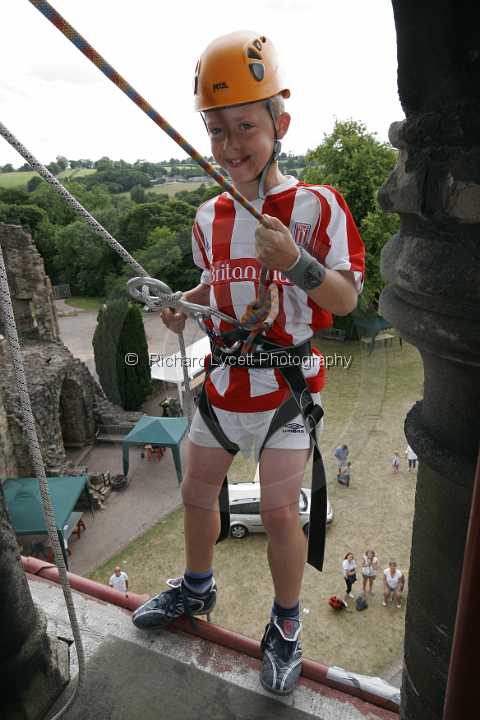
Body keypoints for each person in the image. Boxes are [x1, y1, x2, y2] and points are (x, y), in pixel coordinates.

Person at [132, 30, 364, 697]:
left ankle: (286, 624)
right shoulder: (210, 214)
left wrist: (294, 260)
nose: (231, 146)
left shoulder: (315, 206)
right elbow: (217, 285)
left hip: (284, 389)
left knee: (280, 511)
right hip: (226, 383)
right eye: (216, 132)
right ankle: (196, 589)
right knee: (195, 493)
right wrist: (186, 304)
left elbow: (344, 299)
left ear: (279, 125)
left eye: (246, 127)